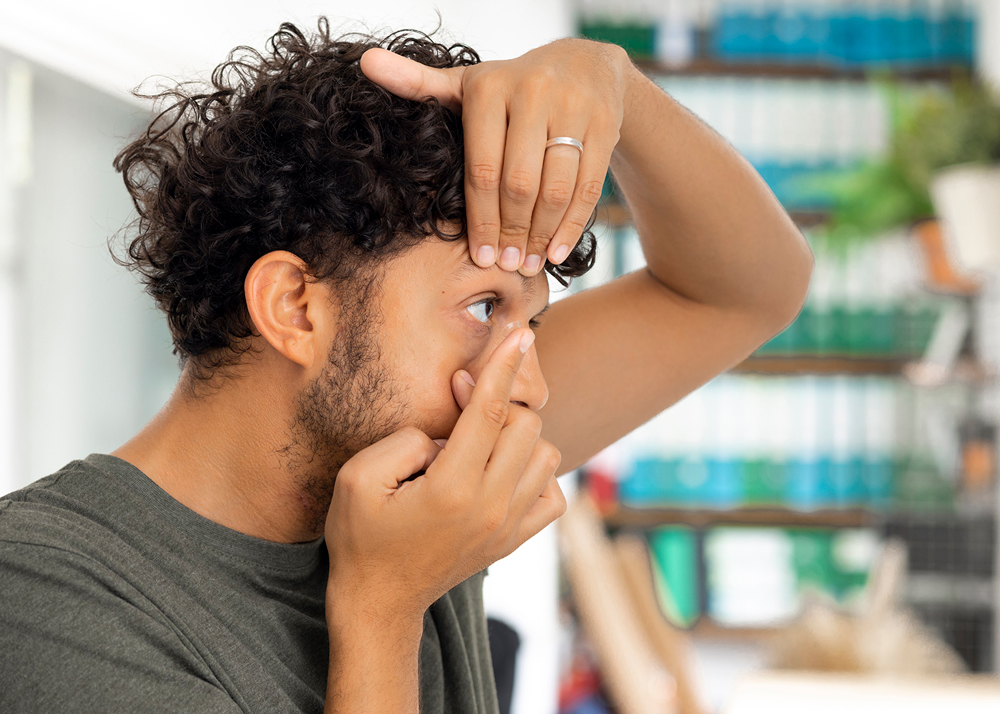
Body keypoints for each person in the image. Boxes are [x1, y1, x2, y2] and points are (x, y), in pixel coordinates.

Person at [0, 17, 812, 714]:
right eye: (485, 307)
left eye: (533, 320)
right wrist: (384, 607)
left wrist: (615, 88)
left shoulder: (420, 472)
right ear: (295, 308)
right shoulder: (42, 597)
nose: (524, 385)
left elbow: (744, 291)